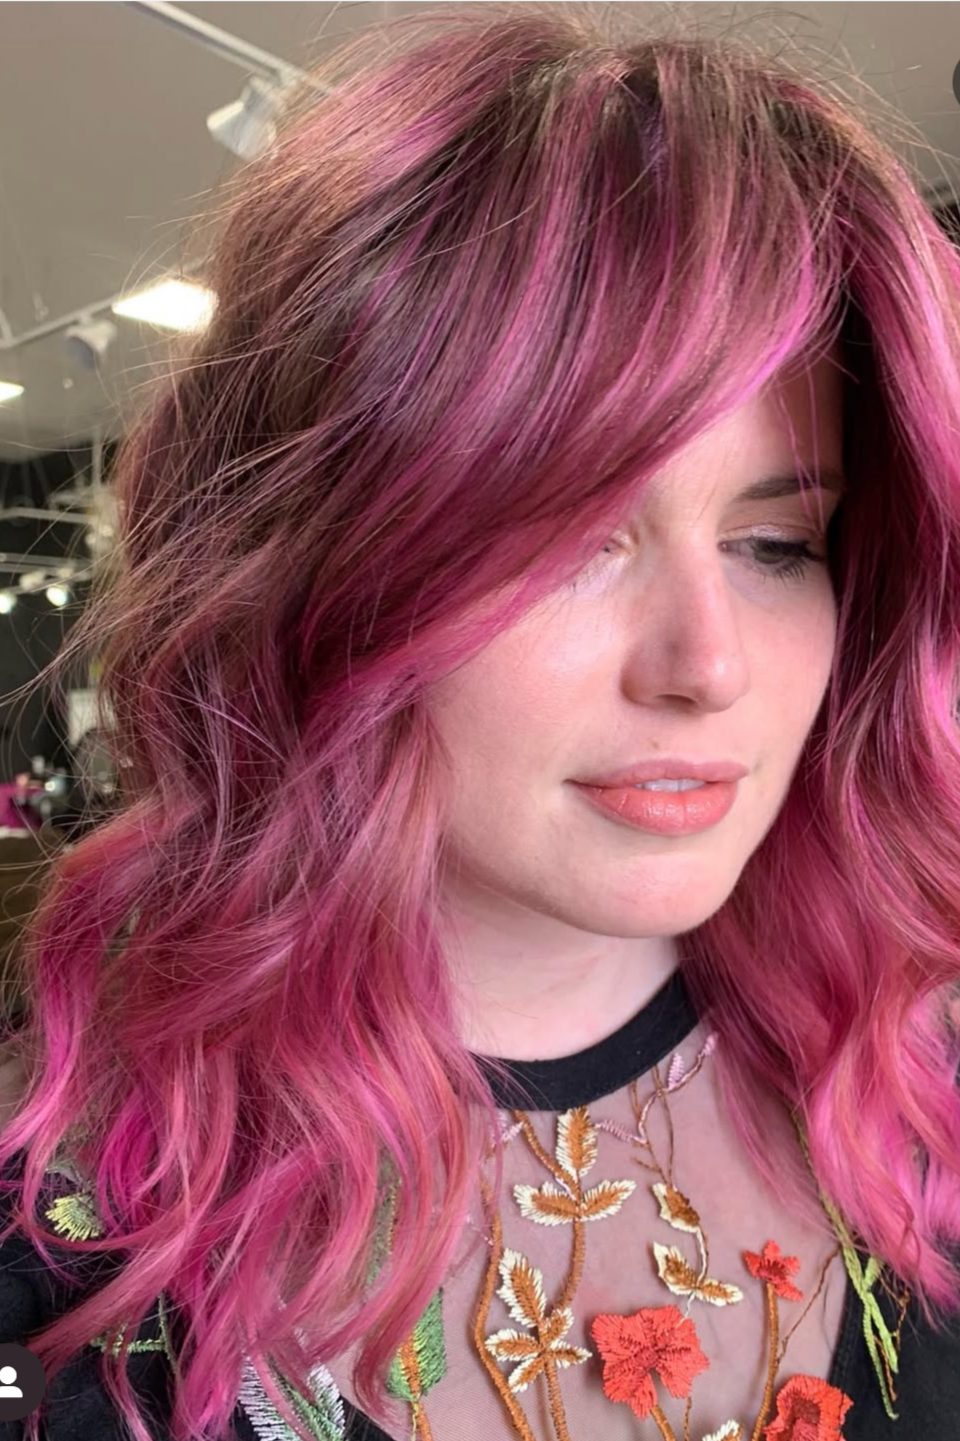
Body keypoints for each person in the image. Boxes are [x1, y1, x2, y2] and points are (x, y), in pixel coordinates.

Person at [2, 5, 960, 1439]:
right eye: (567, 542)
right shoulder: (67, 1253)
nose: (706, 668)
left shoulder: (910, 1065)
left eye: (777, 547)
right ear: (316, 573)